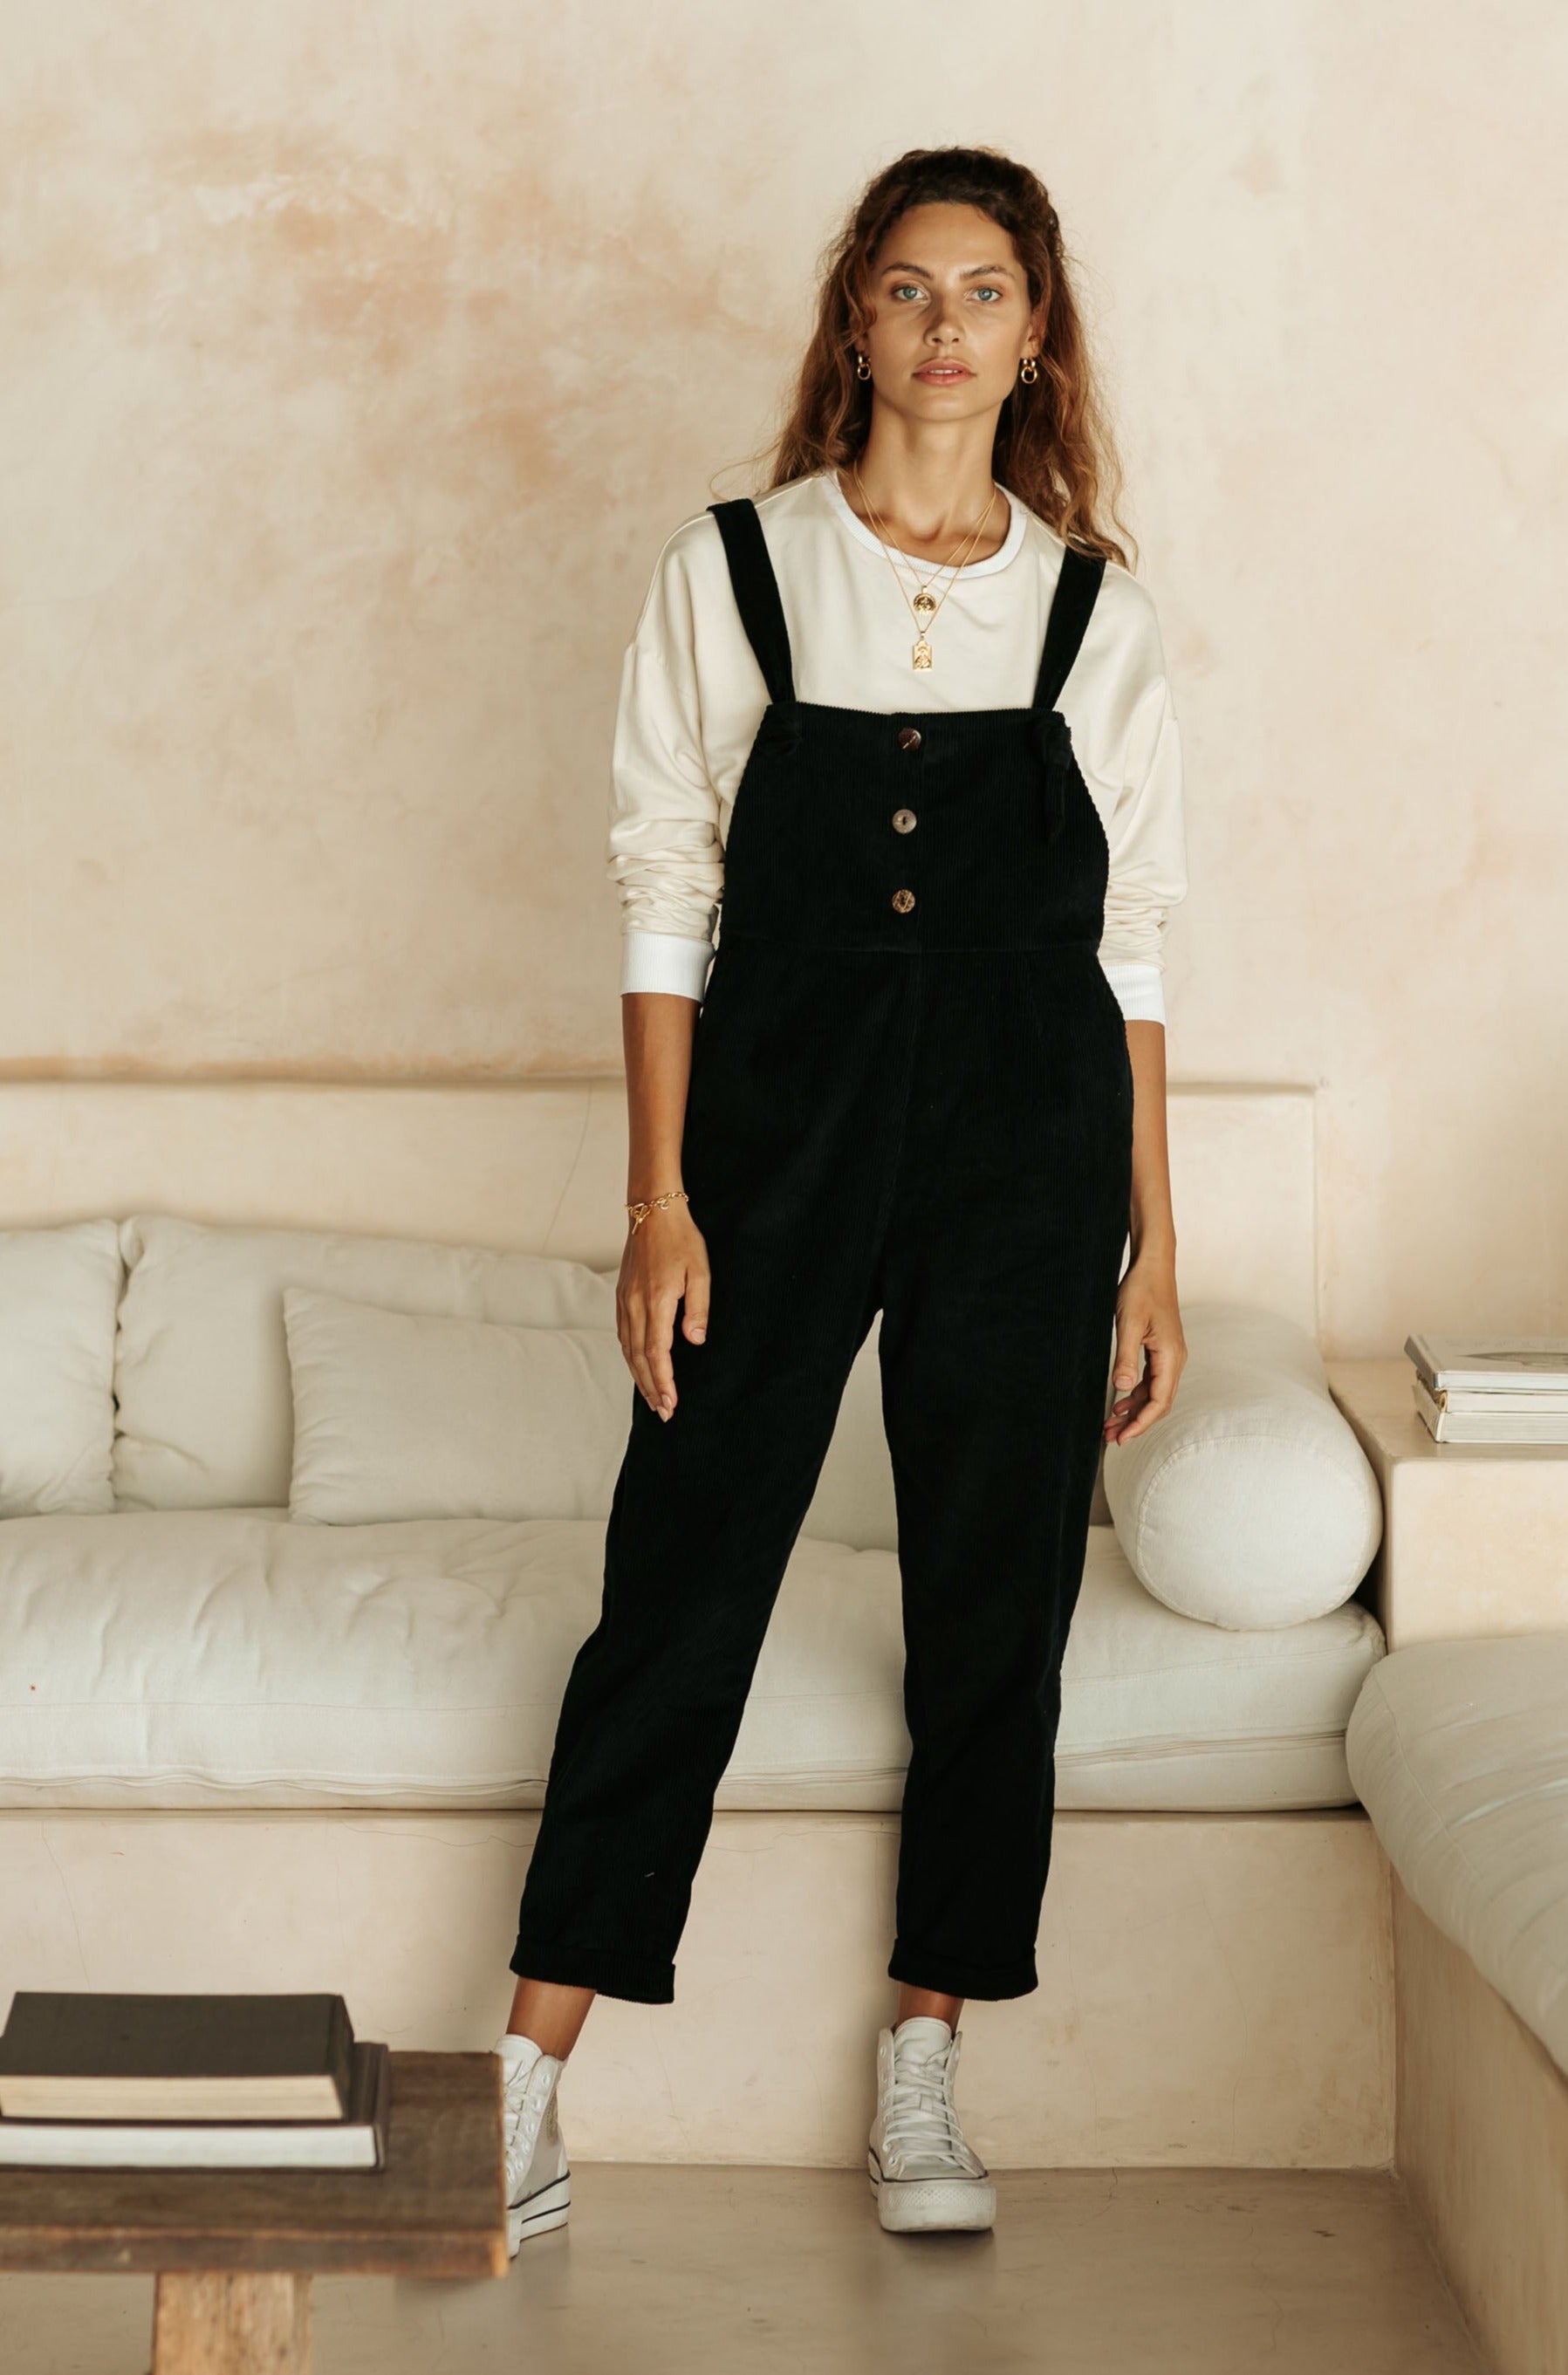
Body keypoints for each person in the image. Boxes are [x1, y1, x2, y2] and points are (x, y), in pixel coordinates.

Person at [491, 142, 1189, 2254]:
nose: (945, 325)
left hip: (1024, 1150)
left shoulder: (1096, 613)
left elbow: (1132, 938)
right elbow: (661, 885)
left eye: (984, 291)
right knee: (682, 1578)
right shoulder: (733, 567)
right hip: (771, 1146)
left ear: (1033, 332)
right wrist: (659, 1197)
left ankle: (926, 2053)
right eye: (905, 288)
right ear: (854, 321)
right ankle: (521, 2072)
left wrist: (1155, 1237)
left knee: (997, 1613)